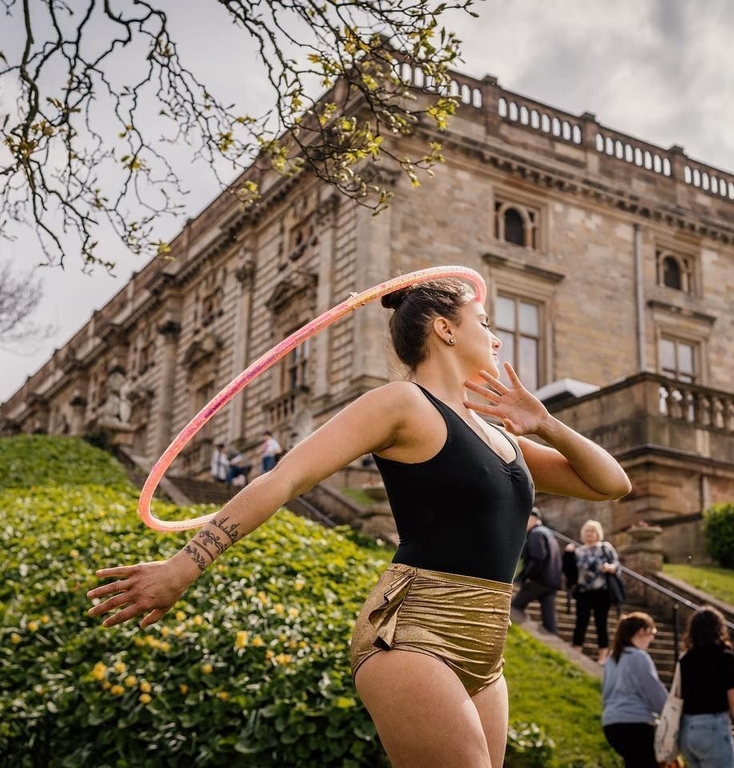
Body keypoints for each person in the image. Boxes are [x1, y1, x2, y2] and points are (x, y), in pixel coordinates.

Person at [86, 276, 631, 768]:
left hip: (486, 643)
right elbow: (283, 479)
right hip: (412, 630)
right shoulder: (402, 403)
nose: (497, 338)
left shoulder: (502, 436)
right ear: (444, 329)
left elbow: (611, 485)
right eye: (484, 323)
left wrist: (547, 425)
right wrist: (183, 567)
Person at [678, 605, 734, 767]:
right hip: (712, 729)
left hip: (688, 731)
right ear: (719, 628)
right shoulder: (725, 658)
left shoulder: (685, 660)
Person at [601, 611, 668, 767]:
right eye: (652, 632)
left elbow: (606, 693)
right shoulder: (639, 656)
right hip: (636, 724)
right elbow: (654, 691)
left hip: (612, 724)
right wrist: (669, 714)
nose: (652, 638)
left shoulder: (611, 660)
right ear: (641, 631)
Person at [565, 519, 620, 664]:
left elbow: (617, 565)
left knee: (601, 623)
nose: (590, 534)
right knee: (580, 622)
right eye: (587, 531)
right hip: (583, 592)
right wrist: (568, 554)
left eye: (593, 531)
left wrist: (609, 567)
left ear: (598, 533)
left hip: (602, 592)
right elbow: (570, 572)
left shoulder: (605, 548)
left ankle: (603, 656)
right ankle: (576, 651)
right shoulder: (578, 551)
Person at [510, 507, 562, 633]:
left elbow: (537, 558)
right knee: (549, 621)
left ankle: (526, 631)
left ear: (533, 519)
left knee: (515, 606)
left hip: (538, 580)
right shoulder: (548, 533)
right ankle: (554, 646)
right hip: (551, 581)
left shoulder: (536, 534)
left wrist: (527, 576)